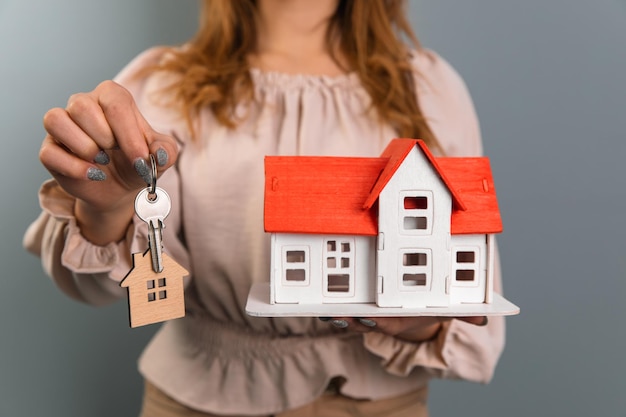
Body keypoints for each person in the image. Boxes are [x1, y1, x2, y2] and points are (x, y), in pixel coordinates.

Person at [24, 1, 505, 416]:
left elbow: (475, 310)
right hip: (193, 402)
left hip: (380, 404)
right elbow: (94, 286)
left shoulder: (431, 90)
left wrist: (424, 323)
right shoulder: (160, 86)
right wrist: (108, 211)